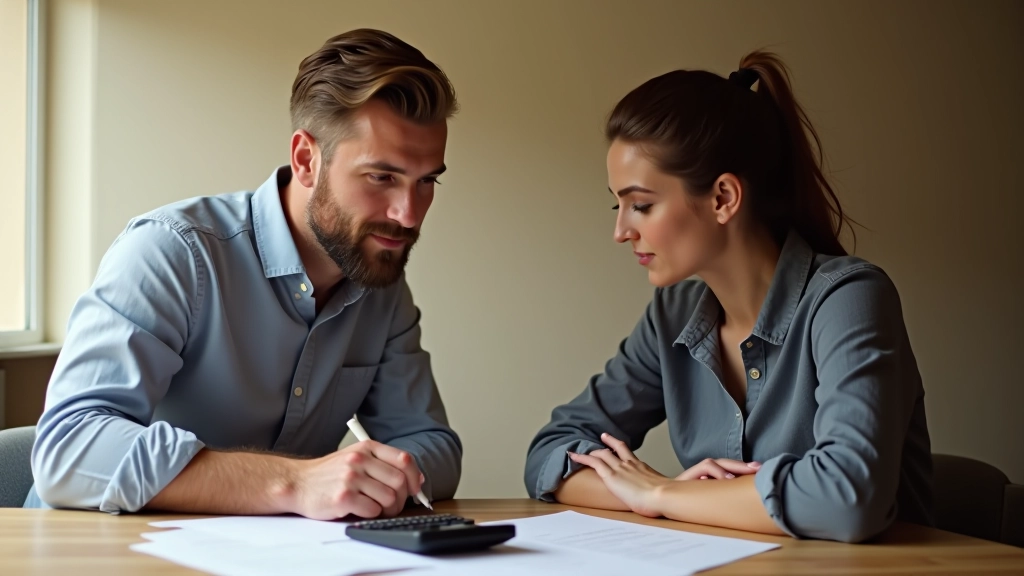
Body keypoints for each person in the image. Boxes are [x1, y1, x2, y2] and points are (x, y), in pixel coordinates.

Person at [28, 29, 462, 520]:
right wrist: (296, 483)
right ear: (306, 160)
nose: (408, 213)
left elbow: (433, 446)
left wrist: (374, 476)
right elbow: (70, 449)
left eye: (426, 181)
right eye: (382, 177)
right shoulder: (174, 252)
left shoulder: (379, 283)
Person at [524, 52, 932, 543]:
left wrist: (661, 497)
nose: (620, 231)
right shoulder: (671, 318)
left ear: (723, 198)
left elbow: (849, 498)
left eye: (642, 205)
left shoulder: (848, 299)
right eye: (619, 205)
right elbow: (551, 454)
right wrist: (653, 491)